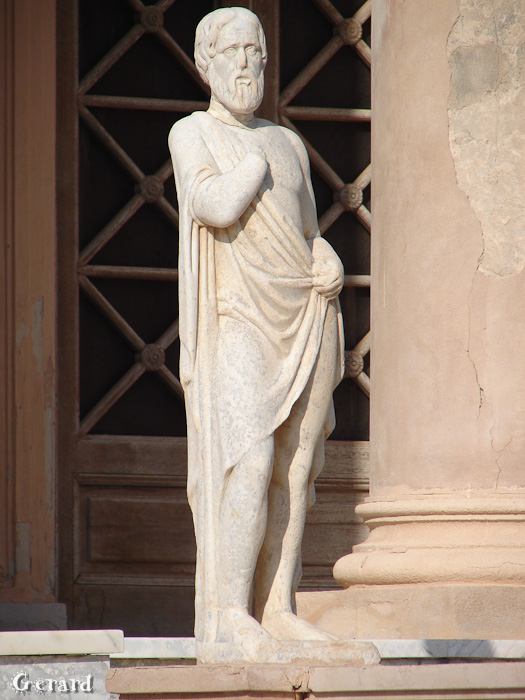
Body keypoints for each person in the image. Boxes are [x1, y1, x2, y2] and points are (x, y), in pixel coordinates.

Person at [169, 7, 346, 663]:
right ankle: (229, 611)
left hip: (302, 311)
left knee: (294, 470)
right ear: (205, 63)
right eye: (233, 51)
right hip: (237, 316)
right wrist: (249, 165)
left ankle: (278, 609)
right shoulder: (193, 132)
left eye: (256, 51)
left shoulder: (288, 144)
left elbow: (307, 229)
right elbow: (212, 205)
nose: (246, 62)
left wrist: (326, 254)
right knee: (249, 457)